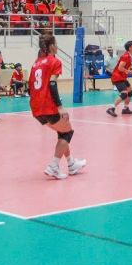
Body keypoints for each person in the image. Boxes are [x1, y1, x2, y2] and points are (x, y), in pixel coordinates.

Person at [30, 33, 86, 180]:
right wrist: (60, 106)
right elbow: (52, 83)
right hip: (48, 105)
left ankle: (71, 164)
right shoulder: (54, 61)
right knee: (67, 133)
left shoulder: (36, 63)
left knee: (62, 131)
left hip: (36, 107)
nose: (57, 47)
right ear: (51, 47)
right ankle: (53, 166)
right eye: (56, 44)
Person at [106, 41, 132, 117]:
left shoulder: (129, 56)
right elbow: (120, 68)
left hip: (122, 77)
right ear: (130, 48)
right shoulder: (126, 56)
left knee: (130, 92)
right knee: (124, 94)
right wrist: (130, 72)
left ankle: (125, 109)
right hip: (117, 77)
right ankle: (111, 108)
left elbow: (126, 66)